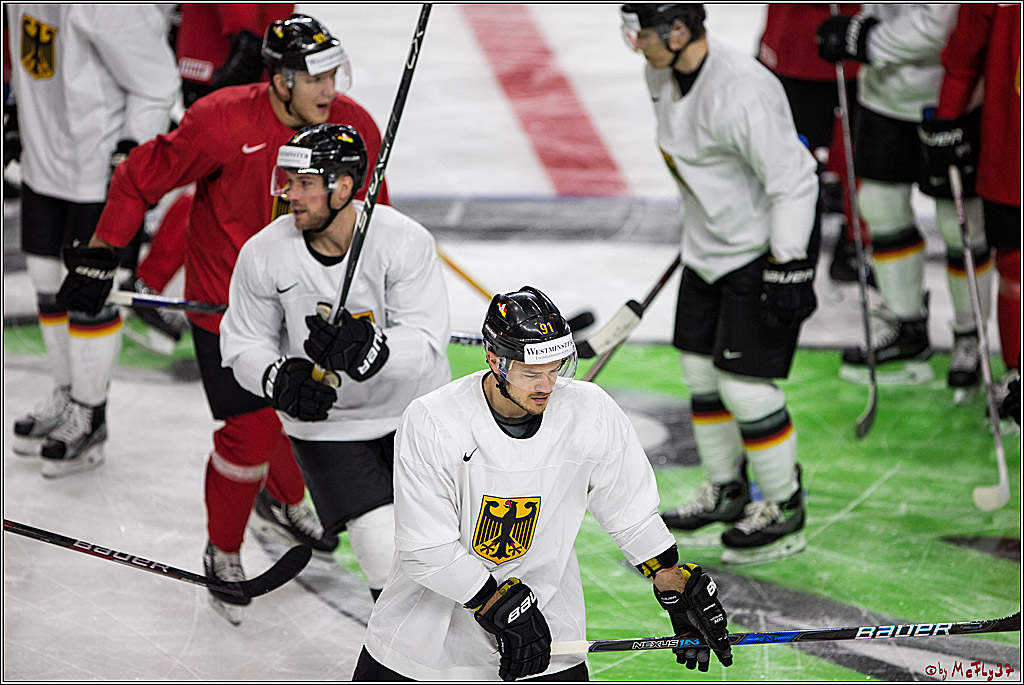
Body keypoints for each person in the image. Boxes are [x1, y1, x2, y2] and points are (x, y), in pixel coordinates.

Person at [56, 14, 388, 625]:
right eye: (314, 75)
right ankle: (224, 548)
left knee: (304, 412)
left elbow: (376, 222)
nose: (328, 87)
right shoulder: (222, 121)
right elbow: (139, 177)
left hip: (308, 310)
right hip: (229, 314)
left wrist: (370, 306)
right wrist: (104, 254)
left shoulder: (353, 125)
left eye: (332, 71)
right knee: (250, 435)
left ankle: (284, 498)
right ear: (280, 79)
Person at [353, 286, 734, 681]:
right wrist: (491, 603)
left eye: (556, 370)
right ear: (494, 360)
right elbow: (425, 548)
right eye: (532, 374)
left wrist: (667, 574)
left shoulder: (591, 409)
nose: (547, 386)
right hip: (425, 642)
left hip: (544, 631)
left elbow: (630, 512)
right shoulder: (433, 419)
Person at [220, 122, 452, 609]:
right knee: (383, 553)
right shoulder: (264, 253)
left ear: (343, 187)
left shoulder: (404, 241)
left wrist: (373, 350)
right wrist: (277, 377)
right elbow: (241, 343)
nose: (290, 195)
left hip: (419, 415)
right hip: (330, 430)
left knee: (454, 550)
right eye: (288, 183)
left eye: (303, 184)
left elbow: (428, 343)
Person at [620, 4, 817, 566]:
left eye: (640, 31)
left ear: (678, 32)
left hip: (763, 249)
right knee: (700, 372)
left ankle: (784, 505)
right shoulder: (660, 70)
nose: (633, 42)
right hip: (707, 247)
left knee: (747, 385)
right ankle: (727, 491)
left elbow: (794, 179)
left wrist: (789, 261)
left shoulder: (745, 90)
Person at [6, 4, 178, 477]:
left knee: (89, 293)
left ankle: (90, 410)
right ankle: (66, 392)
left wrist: (132, 150)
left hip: (99, 173)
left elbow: (159, 82)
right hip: (45, 163)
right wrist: (18, 121)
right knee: (46, 280)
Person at [817, 5, 993, 400]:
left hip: (951, 94)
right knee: (879, 205)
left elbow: (941, 26)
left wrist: (866, 39)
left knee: (961, 222)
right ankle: (907, 324)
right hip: (882, 94)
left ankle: (970, 336)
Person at [126, 4, 295, 355]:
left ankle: (150, 281)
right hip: (229, 61)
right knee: (221, 182)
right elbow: (244, 19)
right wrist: (244, 52)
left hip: (233, 58)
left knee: (227, 182)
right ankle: (149, 281)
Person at [923, 3, 1020, 423]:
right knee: (1014, 269)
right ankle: (1017, 375)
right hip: (1009, 154)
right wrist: (947, 119)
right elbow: (964, 58)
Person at [757, 3, 872, 285]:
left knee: (857, 156)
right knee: (789, 161)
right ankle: (788, 247)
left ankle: (854, 244)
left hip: (851, 43)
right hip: (795, 47)